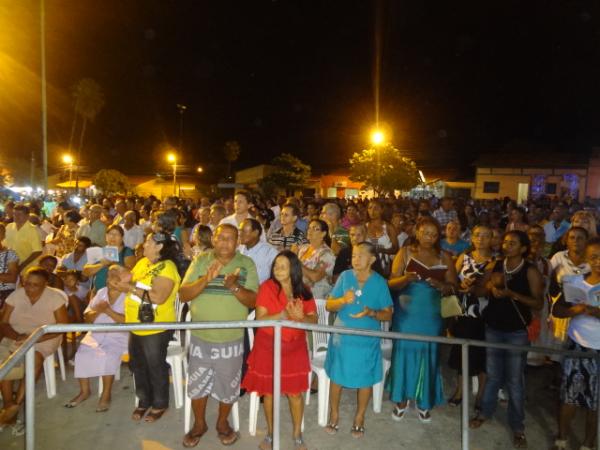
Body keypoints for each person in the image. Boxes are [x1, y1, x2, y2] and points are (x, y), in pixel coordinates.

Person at [179, 224, 258, 447]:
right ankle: (199, 424)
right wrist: (206, 279)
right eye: (220, 237)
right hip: (200, 337)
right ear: (213, 239)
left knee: (229, 385)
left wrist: (234, 287)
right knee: (197, 384)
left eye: (230, 238)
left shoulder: (246, 264)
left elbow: (253, 301)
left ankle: (223, 423)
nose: (224, 242)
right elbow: (183, 295)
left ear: (238, 242)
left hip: (231, 338)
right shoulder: (201, 260)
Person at [469, 230, 544, 449]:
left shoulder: (530, 271)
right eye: (505, 241)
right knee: (492, 375)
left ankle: (518, 426)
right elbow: (479, 290)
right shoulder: (496, 265)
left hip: (516, 331)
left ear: (523, 248)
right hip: (493, 327)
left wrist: (514, 295)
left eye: (513, 243)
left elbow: (538, 303)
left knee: (514, 380)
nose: (506, 244)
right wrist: (490, 287)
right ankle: (485, 413)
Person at [241, 250, 317, 450]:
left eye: (283, 265)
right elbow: (260, 319)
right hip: (268, 346)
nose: (278, 269)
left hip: (294, 348)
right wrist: (282, 314)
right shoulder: (266, 287)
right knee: (270, 393)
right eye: (276, 265)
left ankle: (297, 434)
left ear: (294, 269)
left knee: (294, 394)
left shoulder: (304, 291)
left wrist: (301, 318)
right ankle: (270, 433)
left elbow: (314, 320)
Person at [387, 217, 457, 423]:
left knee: (429, 353)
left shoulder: (444, 256)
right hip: (407, 311)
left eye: (434, 234)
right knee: (404, 351)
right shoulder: (406, 252)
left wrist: (442, 285)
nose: (429, 237)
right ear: (417, 232)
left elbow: (453, 285)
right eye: (426, 233)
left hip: (431, 313)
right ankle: (401, 399)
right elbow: (391, 282)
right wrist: (406, 278)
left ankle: (424, 400)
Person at [324, 242, 393, 438]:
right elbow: (329, 305)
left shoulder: (380, 282)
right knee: (336, 376)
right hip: (342, 337)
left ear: (372, 259)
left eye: (361, 255)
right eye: (354, 255)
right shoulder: (345, 277)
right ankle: (334, 414)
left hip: (366, 339)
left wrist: (372, 312)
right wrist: (342, 301)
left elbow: (388, 314)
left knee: (365, 379)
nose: (356, 259)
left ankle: (359, 417)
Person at [113, 232, 181, 423]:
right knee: (137, 364)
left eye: (149, 242)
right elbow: (129, 278)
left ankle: (160, 403)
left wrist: (130, 288)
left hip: (156, 325)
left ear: (159, 246)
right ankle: (144, 400)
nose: (144, 244)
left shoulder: (167, 267)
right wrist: (117, 275)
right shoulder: (143, 262)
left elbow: (159, 297)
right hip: (136, 323)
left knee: (155, 366)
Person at [0, 266, 69, 426]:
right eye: (27, 284)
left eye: (35, 285)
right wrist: (18, 337)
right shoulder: (16, 295)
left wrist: (34, 338)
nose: (30, 288)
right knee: (4, 362)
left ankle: (17, 403)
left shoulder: (54, 299)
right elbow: (4, 322)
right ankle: (9, 405)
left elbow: (62, 327)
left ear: (45, 284)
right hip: (16, 334)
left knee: (36, 359)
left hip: (45, 336)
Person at [551, 238, 600, 450]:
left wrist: (596, 312)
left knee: (594, 399)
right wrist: (574, 310)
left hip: (598, 349)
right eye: (594, 257)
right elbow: (557, 310)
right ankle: (562, 438)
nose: (598, 261)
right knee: (568, 394)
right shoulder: (575, 281)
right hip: (576, 345)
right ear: (586, 259)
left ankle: (589, 442)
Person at [65, 265, 129, 412]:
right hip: (96, 332)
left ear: (123, 280)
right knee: (81, 354)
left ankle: (106, 394)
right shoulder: (101, 293)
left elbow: (129, 321)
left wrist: (108, 311)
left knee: (108, 356)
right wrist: (98, 311)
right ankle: (84, 391)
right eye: (109, 276)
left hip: (119, 334)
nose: (110, 280)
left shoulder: (129, 296)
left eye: (115, 276)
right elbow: (87, 317)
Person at [447, 225, 495, 409]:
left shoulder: (495, 261)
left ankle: (480, 396)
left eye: (485, 235)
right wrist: (460, 283)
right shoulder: (464, 257)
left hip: (483, 313)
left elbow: (488, 287)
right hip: (463, 311)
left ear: (491, 238)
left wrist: (475, 287)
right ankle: (459, 391)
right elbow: (452, 279)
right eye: (477, 235)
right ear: (471, 238)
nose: (480, 239)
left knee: (481, 356)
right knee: (462, 352)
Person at [548, 227, 590, 356]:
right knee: (557, 350)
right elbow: (546, 275)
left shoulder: (592, 260)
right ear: (566, 241)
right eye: (572, 237)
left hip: (586, 307)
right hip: (561, 307)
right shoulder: (559, 257)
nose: (575, 241)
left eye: (580, 238)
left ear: (586, 241)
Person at [83, 225, 135, 293]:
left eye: (116, 234)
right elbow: (85, 272)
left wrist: (113, 263)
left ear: (122, 238)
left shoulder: (126, 251)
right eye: (110, 234)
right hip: (98, 292)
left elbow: (131, 271)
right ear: (106, 237)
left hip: (117, 293)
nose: (113, 237)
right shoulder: (99, 251)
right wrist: (102, 264)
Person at [297, 219, 336, 300]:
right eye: (309, 228)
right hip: (299, 292)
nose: (310, 231)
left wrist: (297, 263)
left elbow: (315, 277)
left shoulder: (326, 253)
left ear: (323, 234)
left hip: (316, 296)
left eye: (315, 229)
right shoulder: (303, 248)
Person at [3, 204, 42, 274]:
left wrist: (22, 265)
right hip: (9, 267)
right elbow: (4, 244)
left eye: (19, 214)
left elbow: (38, 251)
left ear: (27, 216)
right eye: (14, 214)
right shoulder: (9, 227)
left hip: (26, 269)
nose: (16, 217)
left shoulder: (33, 230)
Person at [239, 218, 278, 285]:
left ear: (255, 233)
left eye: (244, 231)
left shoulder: (270, 252)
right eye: (240, 231)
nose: (240, 234)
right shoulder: (238, 250)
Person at [365, 201, 399, 277]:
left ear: (382, 210)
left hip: (385, 266)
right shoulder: (364, 227)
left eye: (376, 208)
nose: (372, 211)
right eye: (370, 208)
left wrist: (382, 250)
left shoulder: (388, 227)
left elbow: (396, 248)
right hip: (367, 266)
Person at [0, 223, 18, 310]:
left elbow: (12, 278)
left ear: (3, 236)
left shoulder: (10, 253)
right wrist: (3, 276)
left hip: (4, 293)